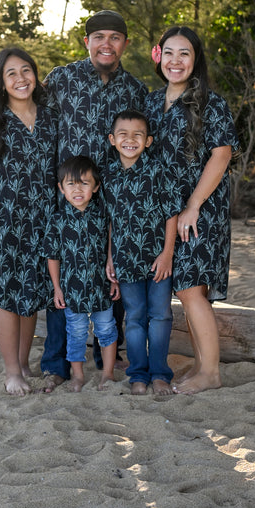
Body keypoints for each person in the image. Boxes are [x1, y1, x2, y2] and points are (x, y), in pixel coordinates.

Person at [0, 10, 148, 391]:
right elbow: (20, 98)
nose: (106, 44)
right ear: (86, 42)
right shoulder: (62, 80)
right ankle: (56, 365)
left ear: (124, 45)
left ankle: (109, 359)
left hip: (111, 200)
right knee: (58, 284)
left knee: (110, 276)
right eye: (98, 36)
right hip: (62, 202)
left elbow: (145, 135)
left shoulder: (135, 90)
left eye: (115, 38)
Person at [145, 26, 240, 395]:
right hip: (167, 212)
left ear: (195, 59)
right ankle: (202, 365)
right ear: (159, 57)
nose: (176, 61)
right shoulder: (152, 103)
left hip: (200, 208)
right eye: (169, 53)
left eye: (184, 54)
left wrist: (193, 206)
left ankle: (211, 373)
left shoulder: (210, 103)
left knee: (189, 288)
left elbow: (222, 153)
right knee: (187, 288)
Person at [0, 47, 57, 396]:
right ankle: (10, 372)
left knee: (32, 294)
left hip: (42, 221)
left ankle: (23, 364)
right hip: (0, 223)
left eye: (26, 71)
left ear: (36, 75)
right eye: (11, 74)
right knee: (6, 297)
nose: (20, 79)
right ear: (1, 83)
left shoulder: (51, 118)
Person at [103, 110, 179, 396]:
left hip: (158, 259)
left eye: (138, 135)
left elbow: (171, 214)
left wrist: (167, 254)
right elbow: (111, 221)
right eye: (123, 134)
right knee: (134, 317)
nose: (130, 140)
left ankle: (160, 374)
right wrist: (110, 256)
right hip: (125, 260)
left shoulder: (159, 171)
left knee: (160, 315)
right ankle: (138, 374)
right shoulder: (108, 176)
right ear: (112, 139)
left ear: (148, 141)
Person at [44, 155, 119, 392]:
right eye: (71, 184)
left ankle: (107, 374)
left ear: (95, 187)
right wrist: (57, 287)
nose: (78, 189)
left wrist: (112, 273)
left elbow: (110, 241)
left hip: (101, 286)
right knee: (75, 333)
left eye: (85, 183)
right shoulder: (57, 220)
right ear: (61, 188)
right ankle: (77, 375)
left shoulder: (102, 215)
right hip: (72, 289)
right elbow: (53, 256)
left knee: (107, 330)